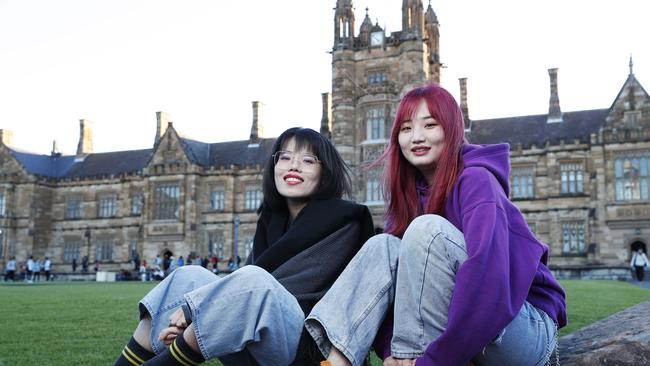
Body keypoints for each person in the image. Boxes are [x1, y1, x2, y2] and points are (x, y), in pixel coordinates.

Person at [305, 85, 568, 366]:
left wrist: (434, 361)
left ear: (452, 129)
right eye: (406, 128)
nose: (416, 137)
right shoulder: (407, 196)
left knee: (427, 231)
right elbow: (400, 292)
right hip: (461, 339)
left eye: (429, 125)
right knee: (382, 245)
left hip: (525, 330)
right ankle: (336, 362)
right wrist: (389, 349)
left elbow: (489, 283)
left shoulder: (477, 181)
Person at [113, 127, 374, 366]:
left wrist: (196, 310)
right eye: (285, 157)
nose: (294, 165)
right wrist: (195, 313)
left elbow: (284, 286)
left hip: (313, 348)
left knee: (252, 279)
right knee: (188, 276)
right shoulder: (271, 221)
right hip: (261, 336)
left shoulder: (344, 220)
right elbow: (243, 290)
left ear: (325, 172)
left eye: (308, 160)